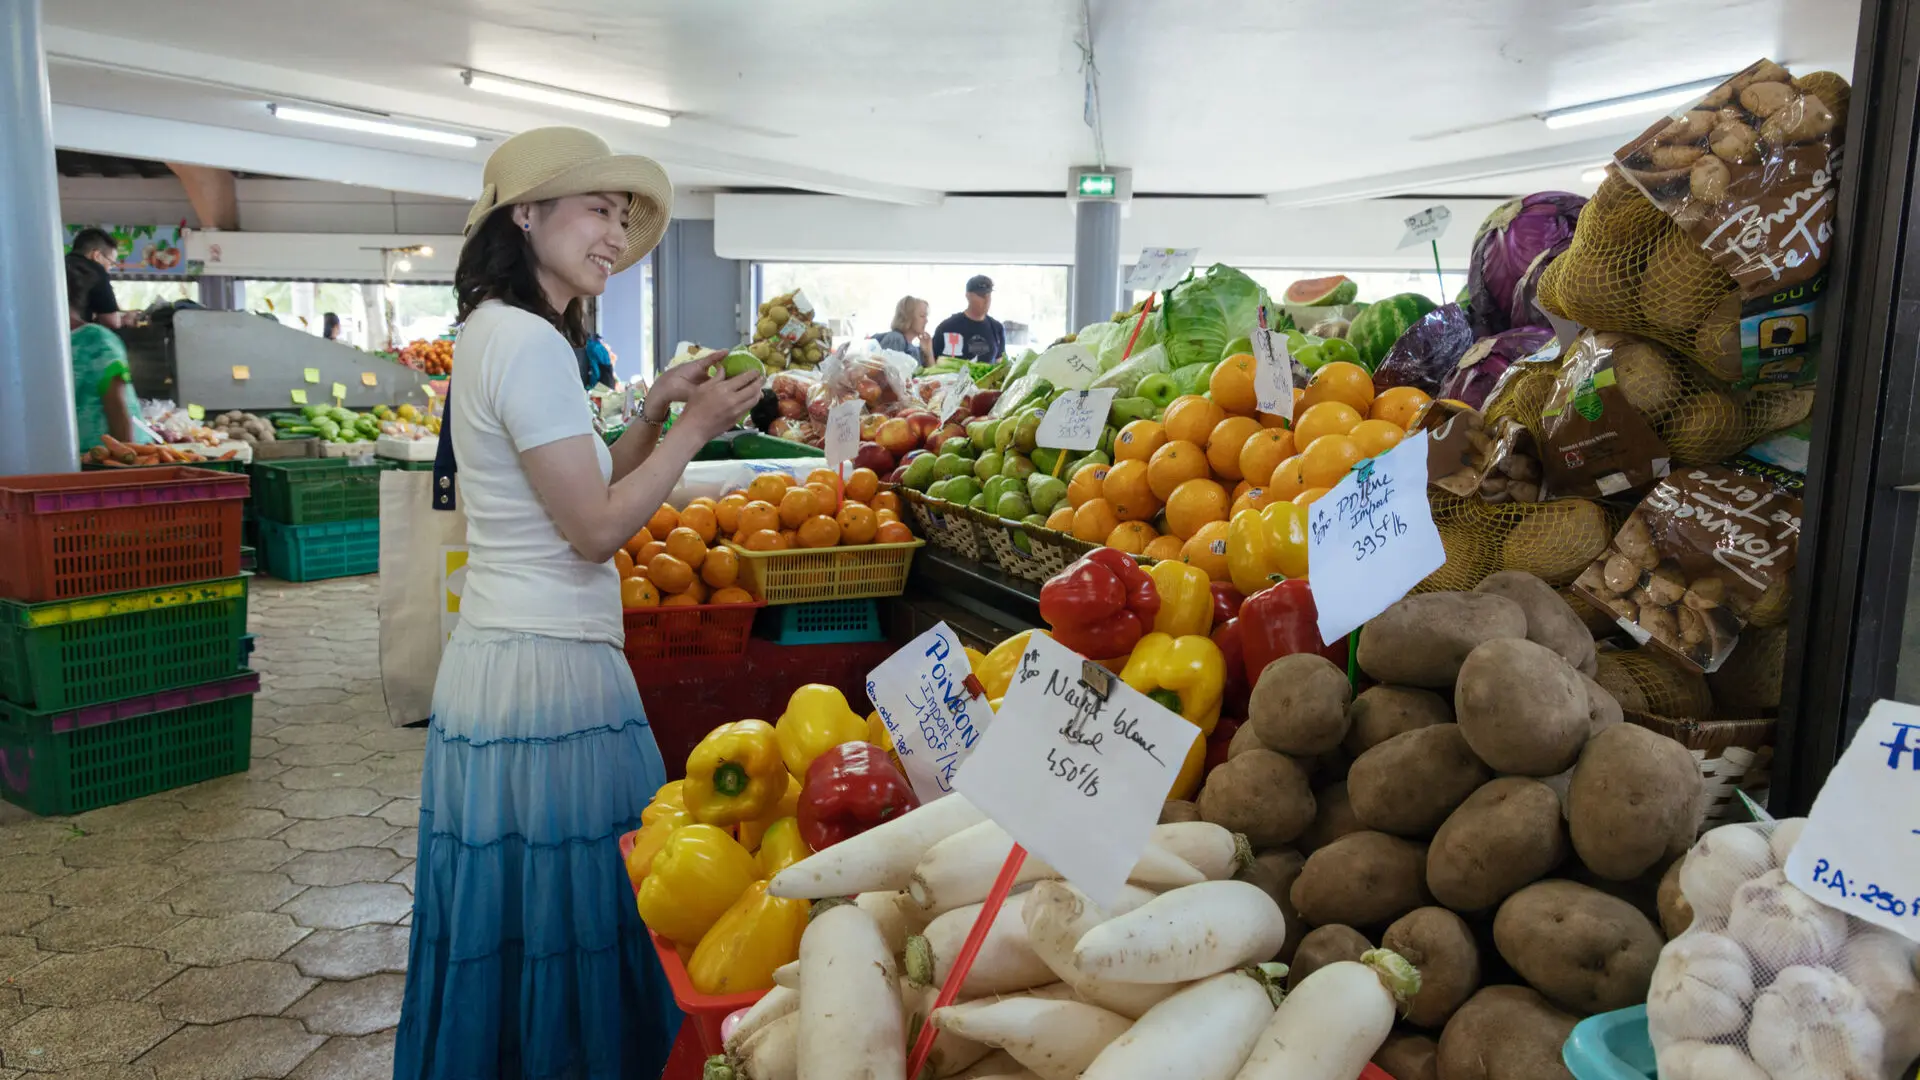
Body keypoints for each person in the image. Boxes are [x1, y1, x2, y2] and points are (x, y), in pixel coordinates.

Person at [393, 127, 762, 1080]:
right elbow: (594, 529)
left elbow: (575, 484)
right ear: (527, 214)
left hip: (507, 660)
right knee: (593, 910)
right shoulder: (524, 342)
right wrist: (695, 430)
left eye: (623, 215)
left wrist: (648, 418)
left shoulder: (503, 331)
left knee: (520, 924)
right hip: (548, 676)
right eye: (598, 207)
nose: (614, 234)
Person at [65, 257, 147, 453]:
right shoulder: (40, 347)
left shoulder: (95, 340)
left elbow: (118, 409)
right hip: (75, 460)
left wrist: (124, 464)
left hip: (107, 458)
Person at [931, 274, 1006, 364]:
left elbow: (1000, 361)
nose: (986, 300)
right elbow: (932, 361)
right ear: (968, 296)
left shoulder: (997, 328)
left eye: (988, 295)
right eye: (981, 295)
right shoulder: (947, 327)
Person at [69, 228, 129, 329]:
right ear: (96, 255)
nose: (109, 269)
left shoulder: (59, 265)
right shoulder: (96, 270)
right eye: (111, 263)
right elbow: (112, 322)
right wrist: (125, 319)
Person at [872, 295, 931, 364]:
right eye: (922, 316)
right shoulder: (896, 339)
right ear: (908, 317)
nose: (926, 321)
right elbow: (889, 372)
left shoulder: (916, 349)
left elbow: (932, 373)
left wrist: (929, 352)